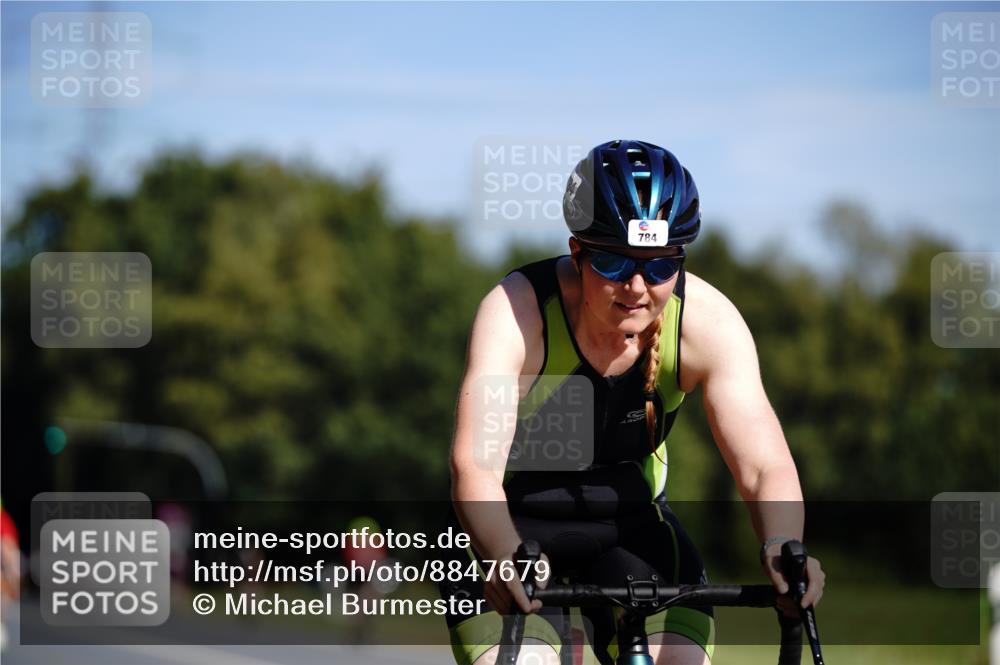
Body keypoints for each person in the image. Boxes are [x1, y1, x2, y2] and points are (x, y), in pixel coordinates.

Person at [440, 140, 825, 665]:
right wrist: (503, 556)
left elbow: (763, 466)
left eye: (661, 266)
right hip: (507, 524)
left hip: (631, 525)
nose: (638, 286)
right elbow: (475, 466)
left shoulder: (707, 323)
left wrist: (780, 543)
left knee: (677, 660)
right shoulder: (517, 311)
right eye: (614, 262)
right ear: (577, 252)